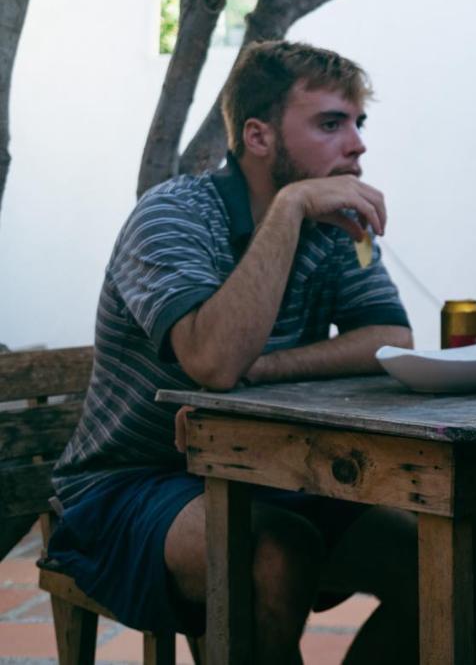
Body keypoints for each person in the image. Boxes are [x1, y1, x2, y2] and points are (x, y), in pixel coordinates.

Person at [48, 41, 419, 662]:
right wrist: (291, 206)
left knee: (425, 556)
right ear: (258, 136)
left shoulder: (335, 230)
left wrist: (266, 368)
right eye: (331, 123)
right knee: (276, 552)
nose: (356, 144)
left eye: (358, 124)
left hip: (268, 472)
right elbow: (214, 362)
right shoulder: (172, 216)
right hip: (127, 485)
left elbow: (390, 338)